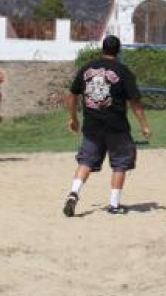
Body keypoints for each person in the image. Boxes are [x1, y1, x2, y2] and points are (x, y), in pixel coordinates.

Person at [63, 35, 151, 216]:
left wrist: (73, 118)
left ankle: (73, 193)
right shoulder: (123, 71)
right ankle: (114, 204)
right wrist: (144, 124)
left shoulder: (87, 68)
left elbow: (72, 96)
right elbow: (135, 102)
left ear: (102, 49)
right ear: (118, 51)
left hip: (91, 125)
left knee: (85, 161)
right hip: (116, 127)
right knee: (120, 163)